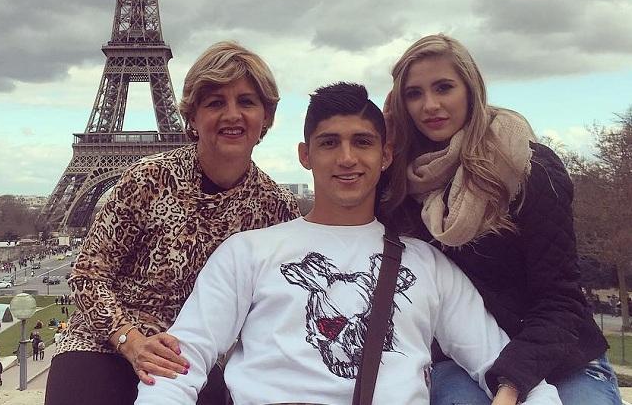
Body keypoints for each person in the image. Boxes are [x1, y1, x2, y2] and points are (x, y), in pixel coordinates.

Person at [135, 82, 560, 404]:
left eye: (362, 142)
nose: (346, 158)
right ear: (305, 155)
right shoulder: (245, 253)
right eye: (329, 143)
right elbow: (179, 365)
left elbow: (501, 363)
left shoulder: (427, 264)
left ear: (385, 155)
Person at [45, 41, 300, 405]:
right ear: (192, 118)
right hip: (105, 343)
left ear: (267, 118)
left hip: (193, 359)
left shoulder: (277, 207)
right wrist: (131, 341)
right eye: (215, 103)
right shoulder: (147, 179)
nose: (232, 115)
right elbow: (88, 275)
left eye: (246, 102)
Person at [383, 34, 621, 405]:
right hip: (461, 359)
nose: (430, 105)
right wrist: (385, 134)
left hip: (559, 355)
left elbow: (559, 299)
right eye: (414, 94)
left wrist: (511, 386)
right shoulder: (402, 181)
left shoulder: (527, 167)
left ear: (470, 89)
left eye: (444, 87)